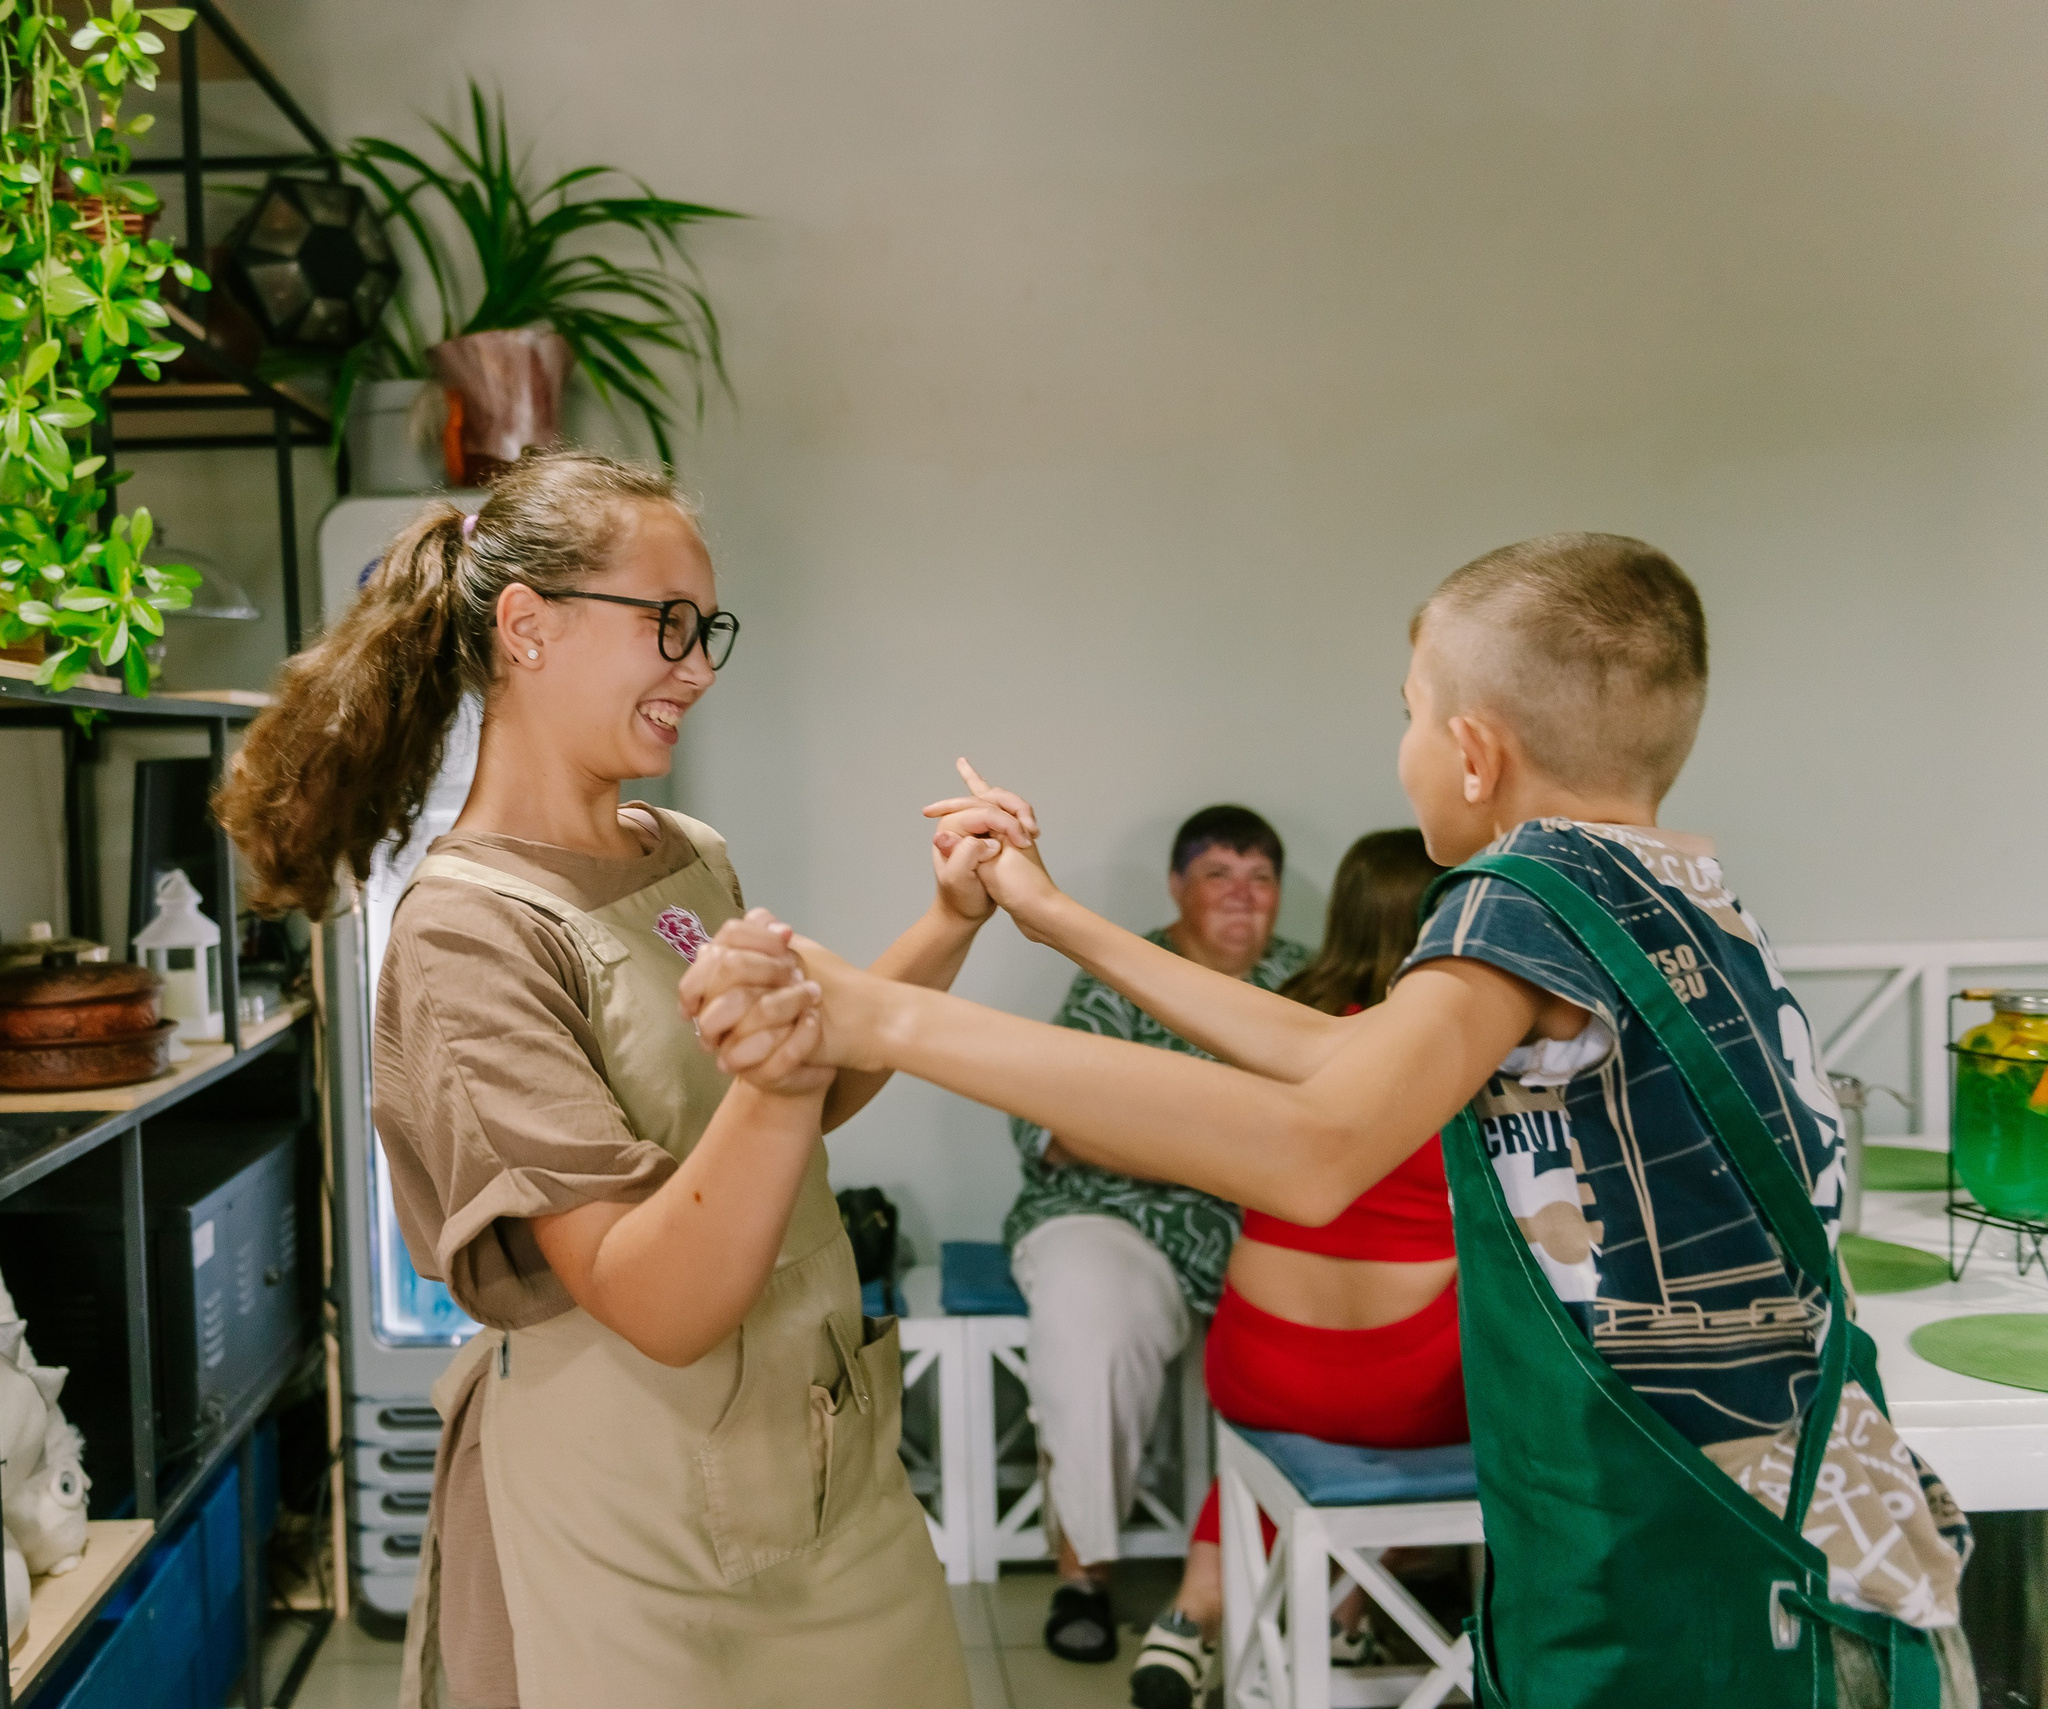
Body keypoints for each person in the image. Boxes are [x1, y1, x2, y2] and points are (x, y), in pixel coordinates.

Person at [683, 534, 1975, 1708]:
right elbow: (1335, 1060)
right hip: (1816, 1525)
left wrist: (881, 1018)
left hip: (1675, 1547)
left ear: (1473, 750)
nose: (1405, 743)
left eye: (1407, 714)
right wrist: (1059, 917)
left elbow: (1313, 1152)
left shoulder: (1516, 892)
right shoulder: (1674, 888)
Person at [217, 449, 982, 1709]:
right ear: (527, 626)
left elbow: (796, 1097)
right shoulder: (471, 935)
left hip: (826, 1473)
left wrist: (948, 919)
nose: (700, 664)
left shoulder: (680, 853)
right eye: (667, 624)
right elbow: (656, 1295)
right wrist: (784, 1084)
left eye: (707, 626)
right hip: (648, 1533)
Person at [1127, 828, 1460, 1709]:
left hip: (1257, 1361)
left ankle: (1193, 1612)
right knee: (1517, 1357)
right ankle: (1370, 1609)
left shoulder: (1278, 1027)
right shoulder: (1461, 1051)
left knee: (1306, 1424)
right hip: (1406, 1389)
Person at [1005, 806, 1308, 1664]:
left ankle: (1330, 1571)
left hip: (1269, 1234)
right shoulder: (1124, 973)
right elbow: (1051, 1121)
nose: (1243, 897)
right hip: (1115, 1218)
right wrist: (1204, 1157)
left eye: (1260, 878)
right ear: (1178, 886)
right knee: (1095, 1313)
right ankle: (1084, 1573)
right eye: (1220, 875)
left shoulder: (1308, 978)